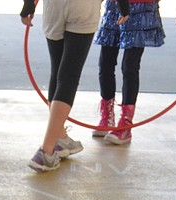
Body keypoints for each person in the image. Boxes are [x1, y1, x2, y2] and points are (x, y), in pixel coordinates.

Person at [20, 0, 130, 172]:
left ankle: (61, 137)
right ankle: (46, 151)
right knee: (68, 76)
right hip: (83, 7)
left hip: (53, 8)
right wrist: (123, 8)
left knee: (57, 73)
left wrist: (28, 5)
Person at [93, 0, 176, 143]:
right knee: (105, 63)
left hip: (142, 8)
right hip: (116, 5)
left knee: (129, 66)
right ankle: (107, 116)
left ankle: (126, 123)